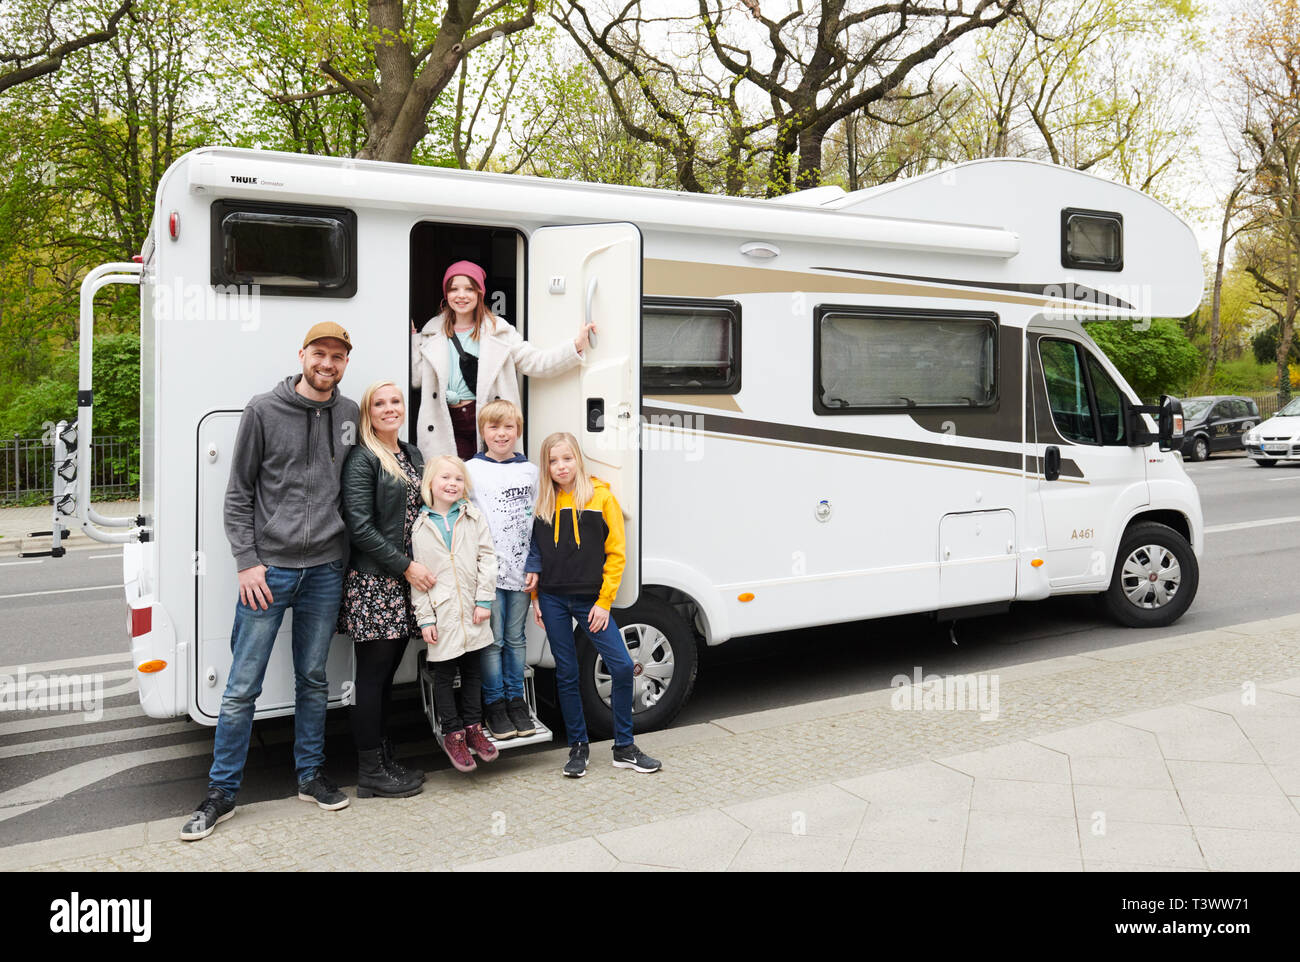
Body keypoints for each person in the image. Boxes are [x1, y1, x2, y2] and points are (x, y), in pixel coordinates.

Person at [181, 322, 360, 841]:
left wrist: (345, 564)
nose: (328, 364)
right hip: (269, 572)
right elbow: (237, 494)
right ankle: (221, 794)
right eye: (320, 354)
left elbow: (350, 486)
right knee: (241, 688)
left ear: (346, 363)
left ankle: (310, 777)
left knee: (313, 679)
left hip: (325, 570)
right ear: (302, 354)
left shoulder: (348, 415)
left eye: (338, 357)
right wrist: (246, 562)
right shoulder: (263, 409)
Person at [524, 432, 662, 778]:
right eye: (553, 461)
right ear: (547, 466)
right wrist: (537, 599)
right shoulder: (543, 502)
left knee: (620, 666)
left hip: (591, 602)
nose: (561, 467)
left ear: (578, 460)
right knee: (566, 673)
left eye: (566, 459)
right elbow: (537, 555)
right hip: (553, 599)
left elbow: (617, 554)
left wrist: (604, 602)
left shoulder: (601, 498)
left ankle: (624, 747)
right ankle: (578, 746)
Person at [338, 380, 431, 799]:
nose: (390, 408)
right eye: (380, 403)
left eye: (395, 401)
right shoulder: (363, 458)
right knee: (372, 680)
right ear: (368, 413)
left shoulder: (411, 453)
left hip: (404, 581)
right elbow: (359, 527)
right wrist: (407, 566)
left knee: (389, 677)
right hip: (376, 583)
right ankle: (370, 772)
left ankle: (385, 758)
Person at [411, 260, 593, 461]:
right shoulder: (431, 332)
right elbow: (416, 379)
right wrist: (412, 340)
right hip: (445, 420)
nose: (461, 295)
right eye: (454, 289)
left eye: (469, 289)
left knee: (491, 481)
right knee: (452, 481)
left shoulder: (499, 331)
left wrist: (575, 346)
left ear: (480, 293)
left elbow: (535, 362)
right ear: (446, 294)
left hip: (490, 419)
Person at [410, 455, 500, 773]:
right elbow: (418, 580)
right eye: (445, 478)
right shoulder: (420, 527)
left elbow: (487, 559)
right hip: (443, 613)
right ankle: (453, 733)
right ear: (430, 484)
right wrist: (425, 619)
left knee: (474, 671)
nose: (452, 484)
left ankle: (474, 728)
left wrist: (484, 601)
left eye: (458, 479)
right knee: (445, 676)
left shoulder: (472, 516)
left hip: (474, 610)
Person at [466, 399, 539, 741]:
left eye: (508, 426)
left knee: (516, 639)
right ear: (483, 431)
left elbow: (539, 521)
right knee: (492, 642)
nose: (501, 433)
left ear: (518, 431)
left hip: (522, 571)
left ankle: (517, 702)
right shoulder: (471, 470)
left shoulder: (531, 471)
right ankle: (494, 705)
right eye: (493, 427)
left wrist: (536, 564)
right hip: (488, 574)